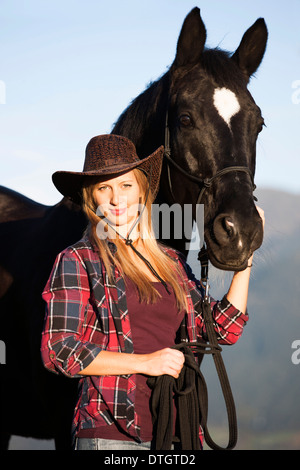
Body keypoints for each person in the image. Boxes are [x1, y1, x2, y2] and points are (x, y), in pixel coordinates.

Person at [41, 134, 265, 451]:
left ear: (143, 191)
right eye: (104, 189)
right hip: (113, 435)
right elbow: (59, 352)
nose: (116, 199)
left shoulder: (172, 263)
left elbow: (223, 329)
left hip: (179, 431)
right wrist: (146, 362)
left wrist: (246, 255)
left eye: (126, 186)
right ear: (92, 199)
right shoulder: (78, 261)